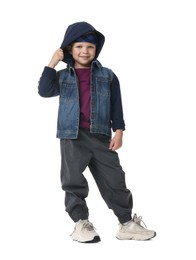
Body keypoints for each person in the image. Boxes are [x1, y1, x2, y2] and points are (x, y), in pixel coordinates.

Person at [38, 21, 156, 243]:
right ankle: (81, 223)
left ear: (96, 50)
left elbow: (116, 106)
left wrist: (119, 131)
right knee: (73, 180)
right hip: (72, 136)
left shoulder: (108, 76)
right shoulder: (63, 77)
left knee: (115, 179)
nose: (84, 51)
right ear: (70, 50)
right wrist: (52, 63)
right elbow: (44, 91)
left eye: (90, 47)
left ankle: (126, 223)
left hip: (101, 135)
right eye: (79, 46)